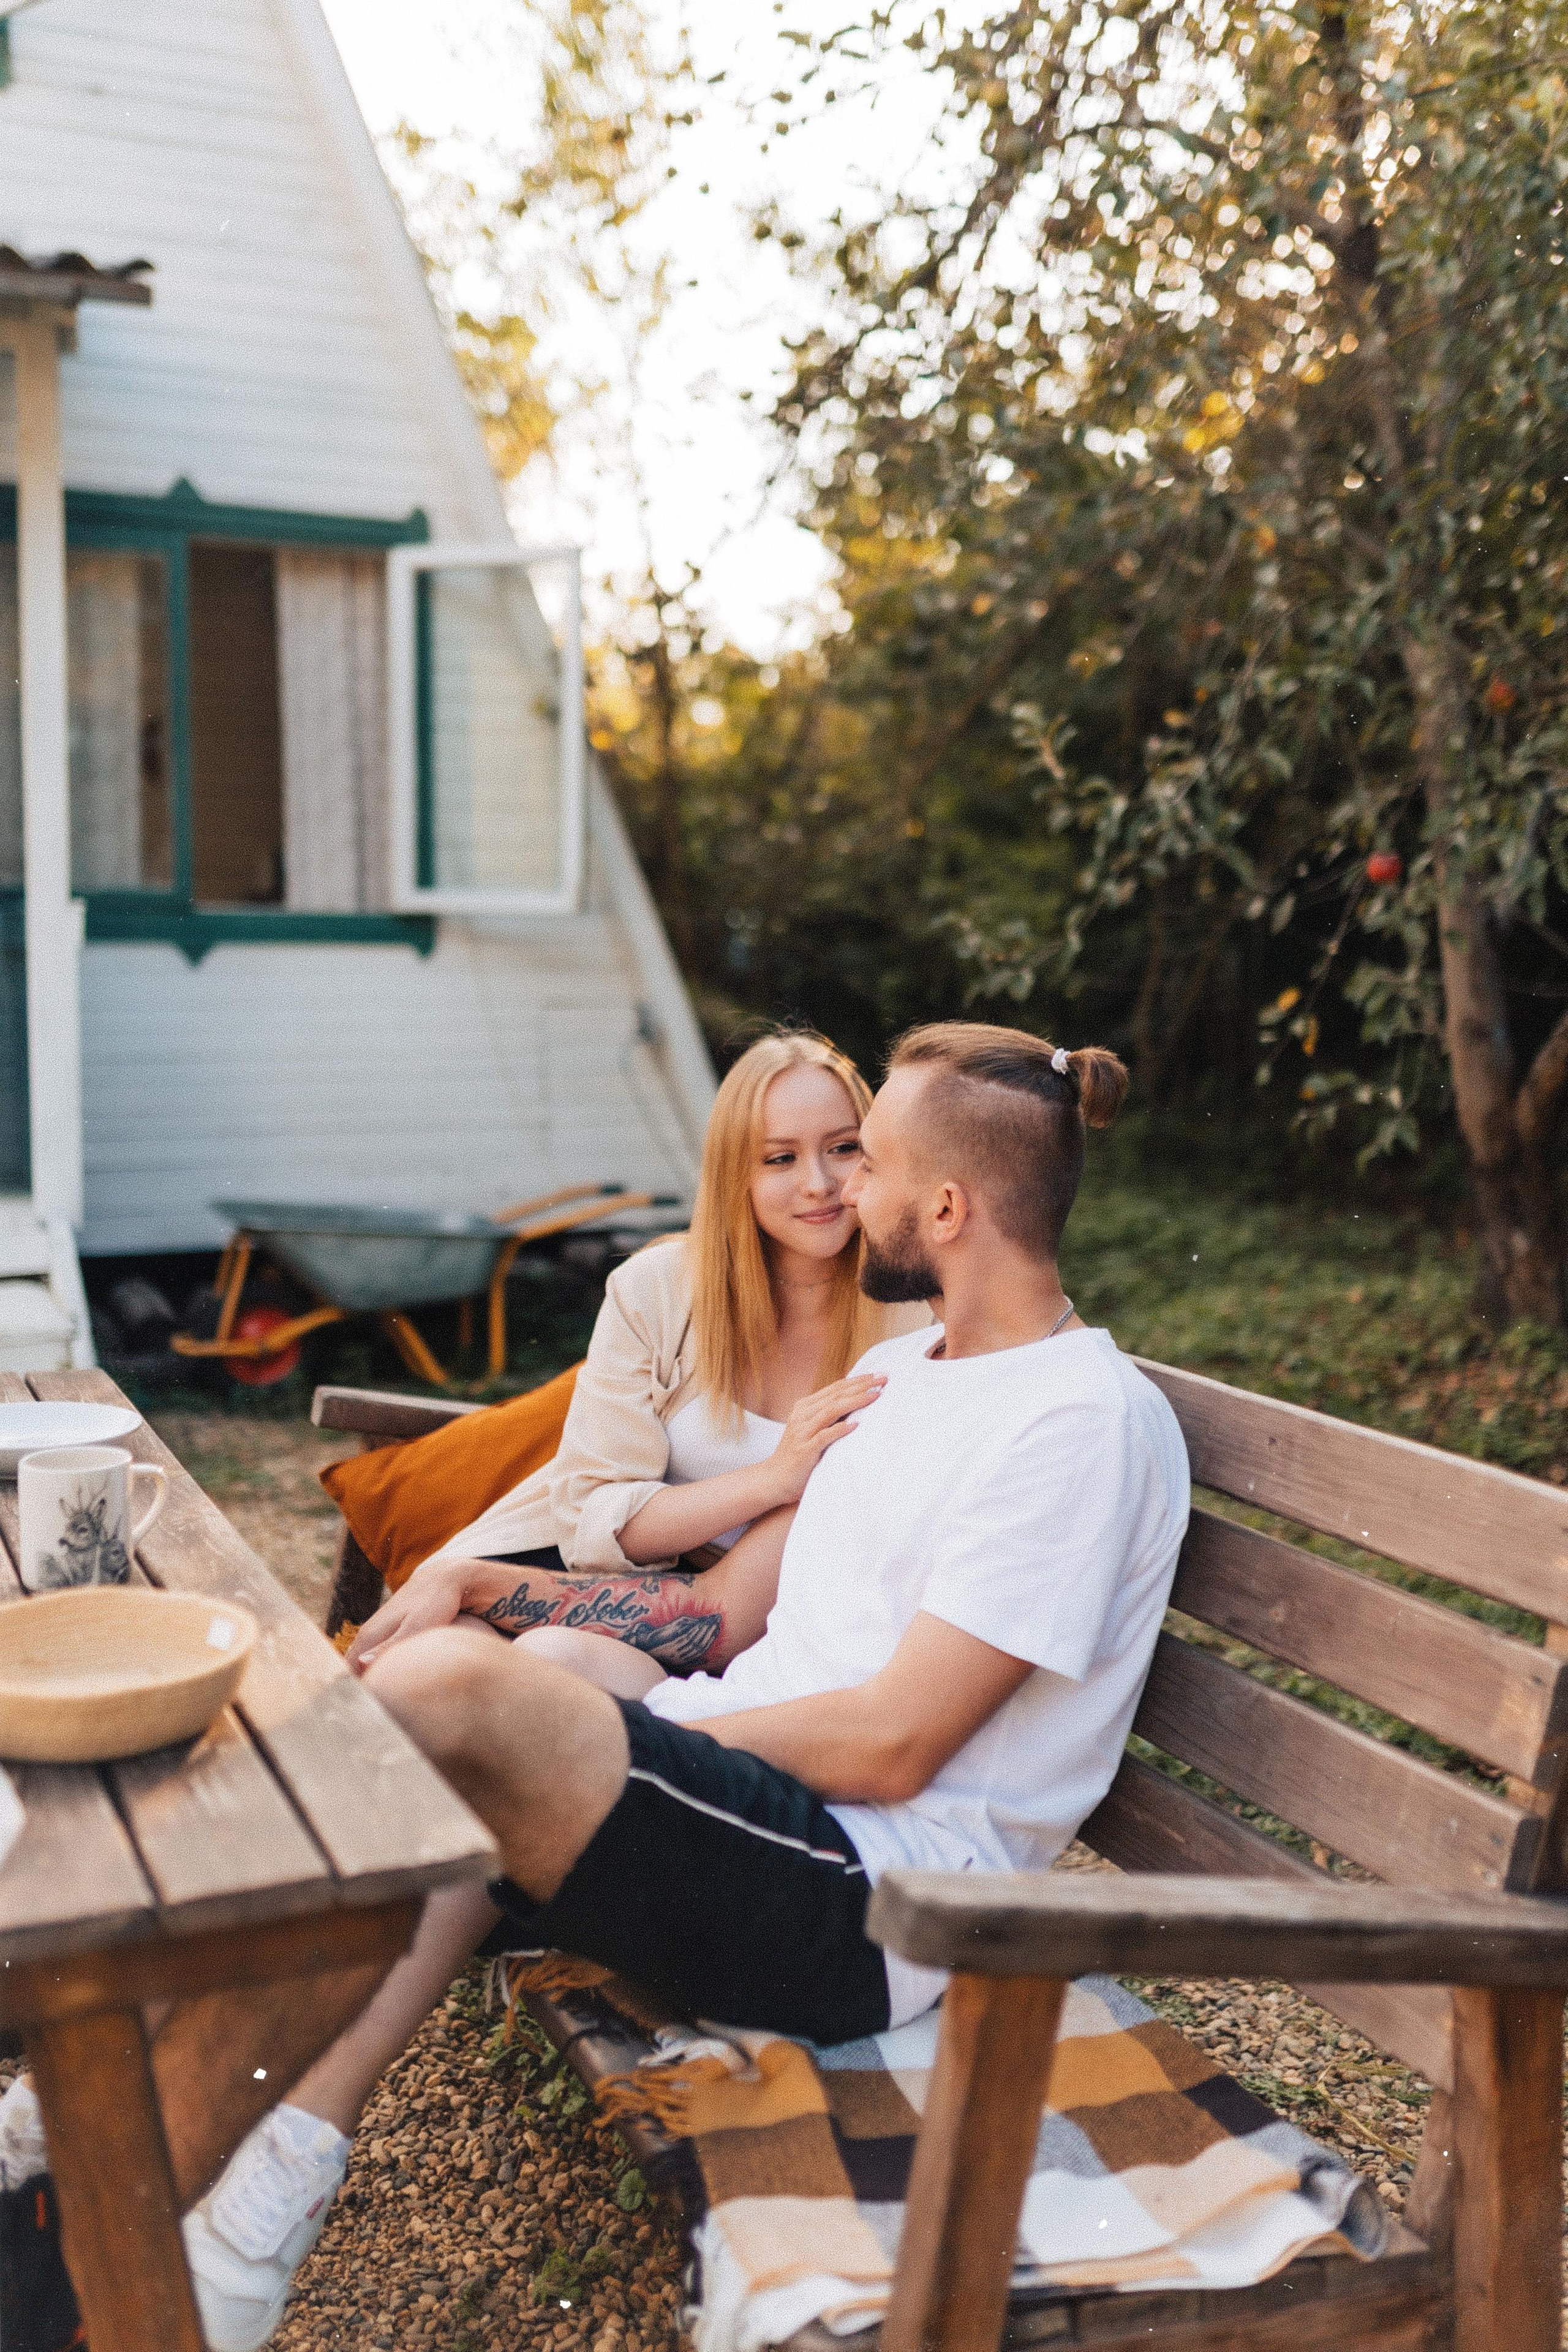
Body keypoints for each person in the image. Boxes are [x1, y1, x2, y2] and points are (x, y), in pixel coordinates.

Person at [0, 1028, 927, 2352]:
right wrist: (748, 1484)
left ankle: (186, 2117)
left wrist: (745, 1500)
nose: (819, 1184)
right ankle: (123, 2082)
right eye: (780, 1157)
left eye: (844, 1149)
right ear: (733, 1171)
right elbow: (600, 1510)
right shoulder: (665, 1290)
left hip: (734, 1643)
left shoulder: (895, 1324)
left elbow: (730, 1606)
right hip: (620, 1580)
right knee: (365, 1717)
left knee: (501, 1689)